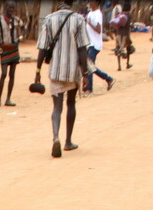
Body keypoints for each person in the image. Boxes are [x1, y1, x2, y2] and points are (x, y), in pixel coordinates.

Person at [34, 2, 90, 157]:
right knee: (71, 103)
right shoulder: (78, 19)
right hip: (72, 71)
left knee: (57, 107)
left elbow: (43, 48)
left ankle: (55, 137)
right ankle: (68, 141)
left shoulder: (50, 19)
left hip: (55, 71)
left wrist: (37, 71)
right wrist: (85, 74)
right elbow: (82, 49)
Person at [0, 0, 26, 107]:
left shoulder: (16, 20)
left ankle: (8, 99)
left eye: (13, 8)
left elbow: (24, 28)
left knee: (12, 74)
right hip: (4, 49)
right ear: (5, 8)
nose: (11, 10)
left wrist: (20, 38)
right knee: (4, 73)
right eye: (9, 8)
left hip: (14, 48)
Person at [83, 0, 116, 95]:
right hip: (89, 43)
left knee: (90, 66)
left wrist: (89, 24)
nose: (90, 3)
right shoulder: (90, 13)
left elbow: (98, 30)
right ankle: (107, 80)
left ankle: (91, 88)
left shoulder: (97, 14)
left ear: (97, 3)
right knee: (89, 66)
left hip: (95, 44)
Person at [110, 0, 134, 70]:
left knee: (118, 48)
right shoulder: (129, 15)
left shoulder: (120, 14)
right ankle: (127, 63)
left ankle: (119, 66)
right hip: (126, 34)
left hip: (118, 33)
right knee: (128, 48)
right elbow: (131, 24)